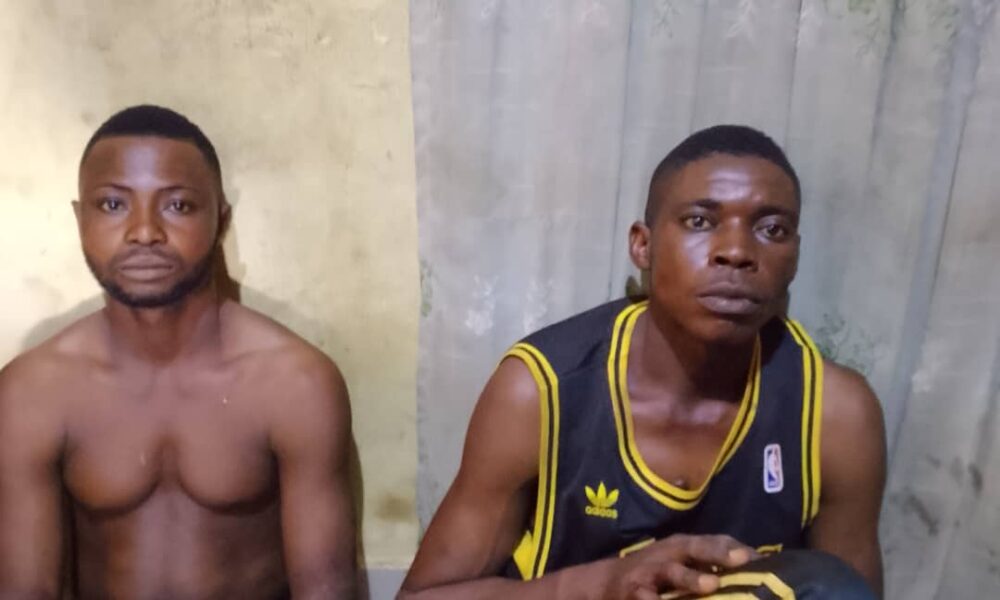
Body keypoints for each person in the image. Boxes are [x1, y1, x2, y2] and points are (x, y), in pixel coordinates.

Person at [399, 125, 886, 599]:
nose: (737, 252)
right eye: (700, 221)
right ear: (642, 245)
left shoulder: (835, 414)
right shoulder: (542, 389)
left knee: (836, 589)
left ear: (794, 256)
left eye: (771, 229)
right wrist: (596, 585)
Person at [0, 105, 356, 599]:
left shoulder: (295, 384)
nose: (144, 232)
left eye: (179, 206)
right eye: (112, 205)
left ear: (220, 220)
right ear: (80, 220)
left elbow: (325, 590)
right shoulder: (32, 391)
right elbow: (24, 591)